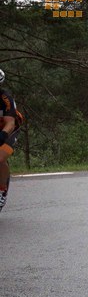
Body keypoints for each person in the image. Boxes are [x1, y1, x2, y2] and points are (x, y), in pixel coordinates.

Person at [0, 69, 21, 211]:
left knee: (0, 157)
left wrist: (2, 134)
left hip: (9, 130)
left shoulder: (5, 98)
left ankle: (2, 191)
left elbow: (10, 123)